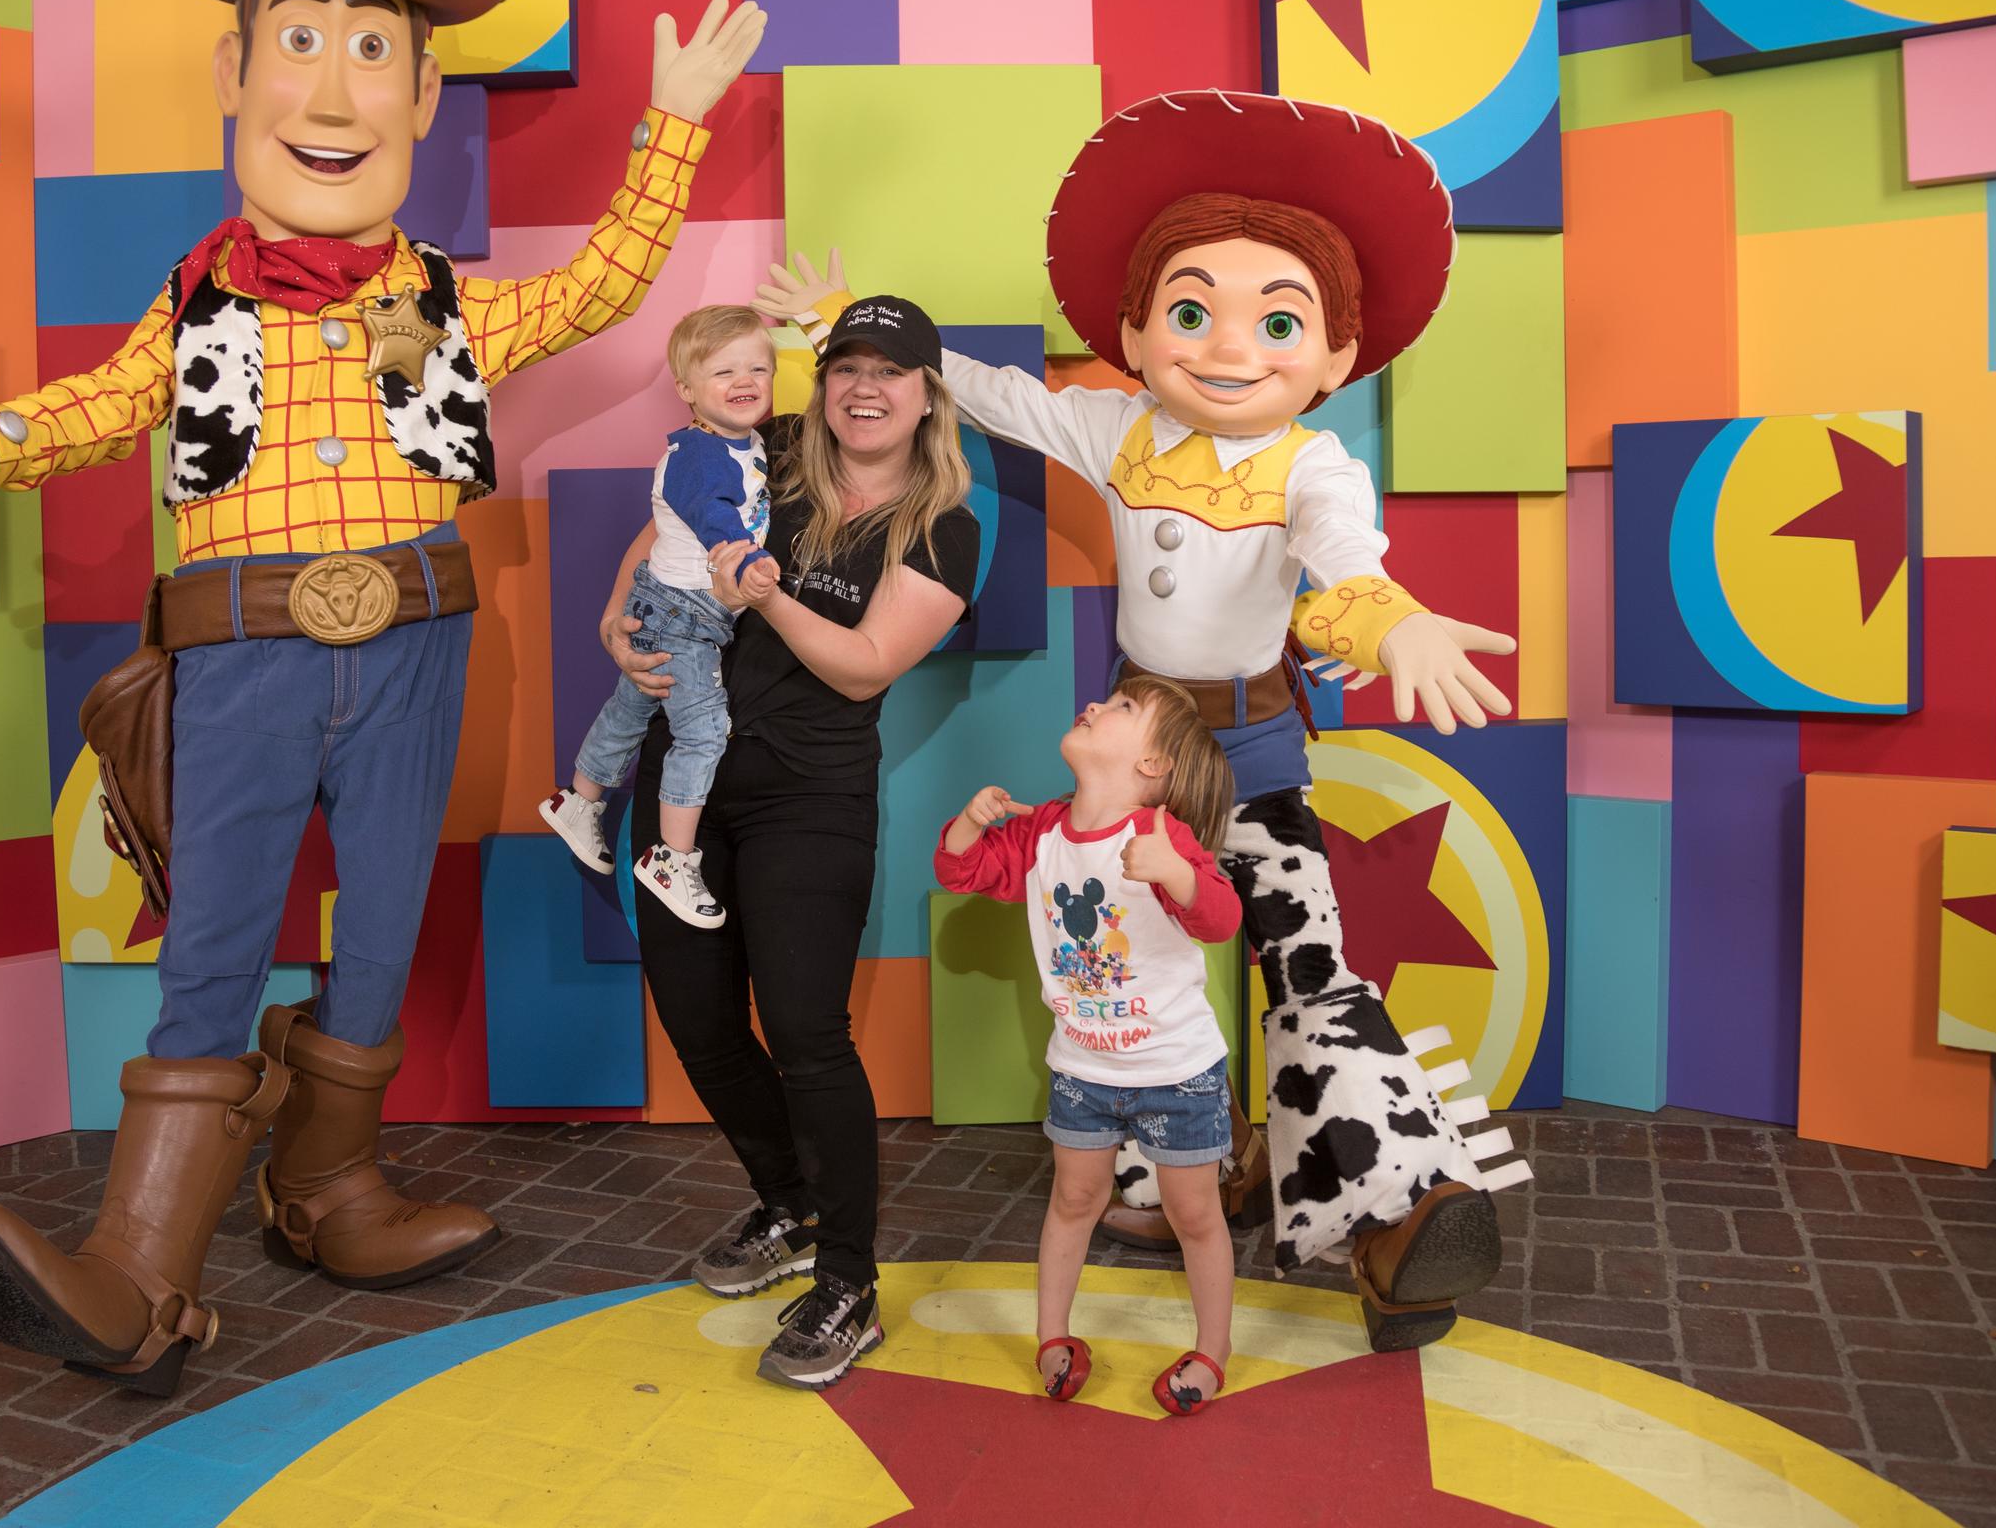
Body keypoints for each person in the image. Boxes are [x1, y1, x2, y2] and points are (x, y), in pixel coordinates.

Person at [0, 0, 765, 1396]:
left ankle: (328, 1193)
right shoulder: (196, 301)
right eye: (303, 42)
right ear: (233, 78)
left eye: (373, 52)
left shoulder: (446, 305)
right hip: (243, 657)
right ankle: (140, 1276)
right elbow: (107, 404)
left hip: (416, 649)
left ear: (425, 93)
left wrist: (672, 128)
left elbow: (602, 287)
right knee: (215, 944)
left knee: (382, 924)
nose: (334, 90)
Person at [758, 91, 1532, 1355]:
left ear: (1335, 355)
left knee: (1305, 969)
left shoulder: (1316, 467)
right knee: (1129, 951)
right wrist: (857, 334)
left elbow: (1343, 564)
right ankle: (1179, 1167)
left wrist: (1395, 629)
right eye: (1190, 311)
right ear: (1133, 329)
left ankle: (1398, 1217)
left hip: (1257, 752)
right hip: (1138, 755)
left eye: (1278, 321)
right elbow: (1000, 395)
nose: (1229, 347)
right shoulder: (1121, 431)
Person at [601, 295, 978, 1390]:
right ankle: (791, 1202)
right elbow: (664, 535)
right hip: (686, 779)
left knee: (807, 1034)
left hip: (808, 799)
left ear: (924, 392)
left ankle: (850, 1280)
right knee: (698, 1021)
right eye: (847, 365)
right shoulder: (768, 452)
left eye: (890, 370)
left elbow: (864, 664)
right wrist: (619, 624)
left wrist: (759, 596)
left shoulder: (942, 523)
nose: (865, 386)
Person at [934, 677, 1244, 1415]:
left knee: (1195, 1214)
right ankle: (1053, 1336)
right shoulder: (1043, 834)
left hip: (1178, 1069)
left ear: (1154, 767)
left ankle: (1214, 1348)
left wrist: (1175, 873)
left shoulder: (1162, 837)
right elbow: (960, 870)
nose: (1098, 706)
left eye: (1125, 709)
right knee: (1074, 1199)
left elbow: (1222, 920)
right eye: (1108, 700)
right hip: (1082, 1067)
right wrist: (970, 826)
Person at [540, 306, 778, 928]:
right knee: (702, 731)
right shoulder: (700, 456)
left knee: (634, 702)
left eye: (758, 367)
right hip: (686, 609)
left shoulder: (742, 442)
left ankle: (581, 798)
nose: (744, 379)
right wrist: (747, 560)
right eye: (723, 370)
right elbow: (714, 516)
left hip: (666, 599)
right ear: (687, 390)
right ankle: (671, 858)